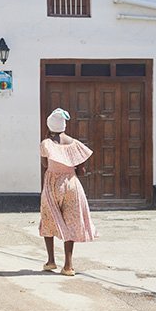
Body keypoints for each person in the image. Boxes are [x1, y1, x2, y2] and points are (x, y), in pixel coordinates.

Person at [39, 108, 97, 276]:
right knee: (71, 221)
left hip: (52, 184)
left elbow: (45, 165)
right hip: (71, 184)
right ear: (64, 125)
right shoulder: (75, 144)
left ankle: (51, 261)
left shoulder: (46, 144)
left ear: (50, 126)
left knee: (48, 219)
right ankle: (68, 266)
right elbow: (81, 170)